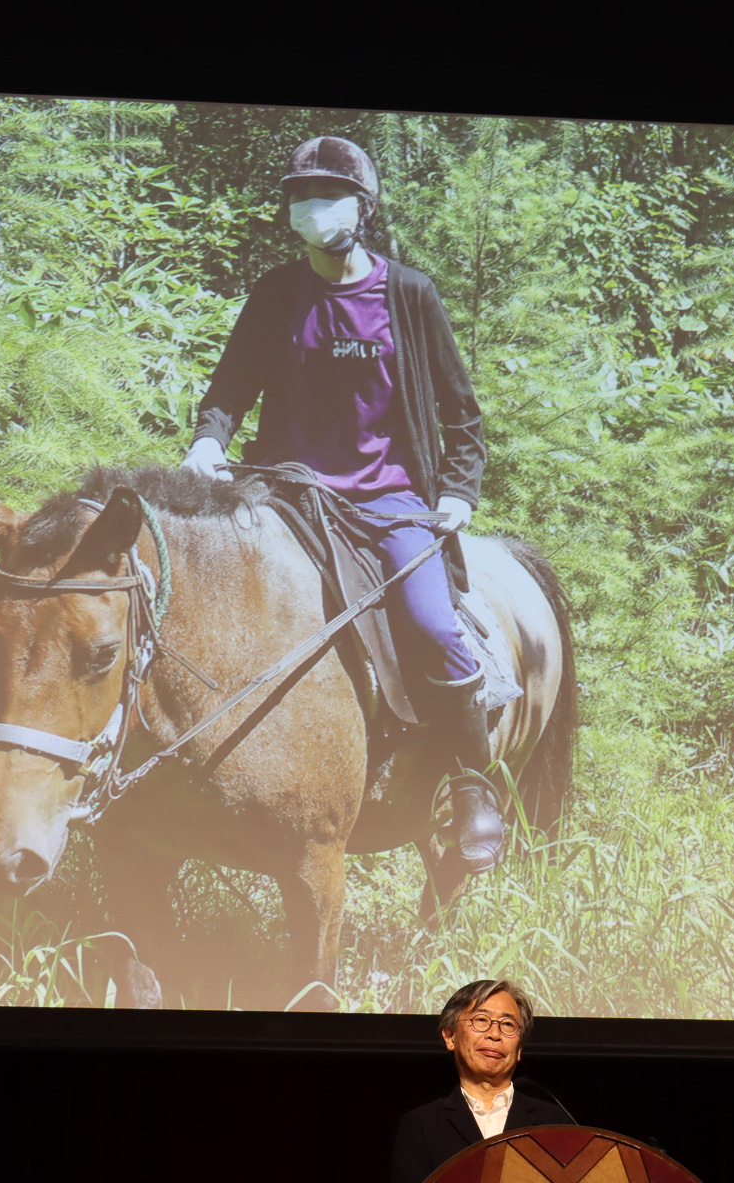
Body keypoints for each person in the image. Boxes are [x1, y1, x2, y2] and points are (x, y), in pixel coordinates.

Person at [181, 135, 504, 870]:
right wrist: (207, 442)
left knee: (430, 623)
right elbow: (229, 390)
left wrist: (456, 493)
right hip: (284, 490)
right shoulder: (276, 294)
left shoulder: (409, 294)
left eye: (326, 195)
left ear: (362, 208)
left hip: (388, 499)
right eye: (299, 196)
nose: (310, 208)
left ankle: (472, 781)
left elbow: (462, 413)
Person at [390, 979, 572, 1183]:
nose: (494, 1034)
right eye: (481, 1020)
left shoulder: (554, 1121)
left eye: (508, 1025)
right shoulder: (422, 1125)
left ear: (519, 1048)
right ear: (450, 1037)